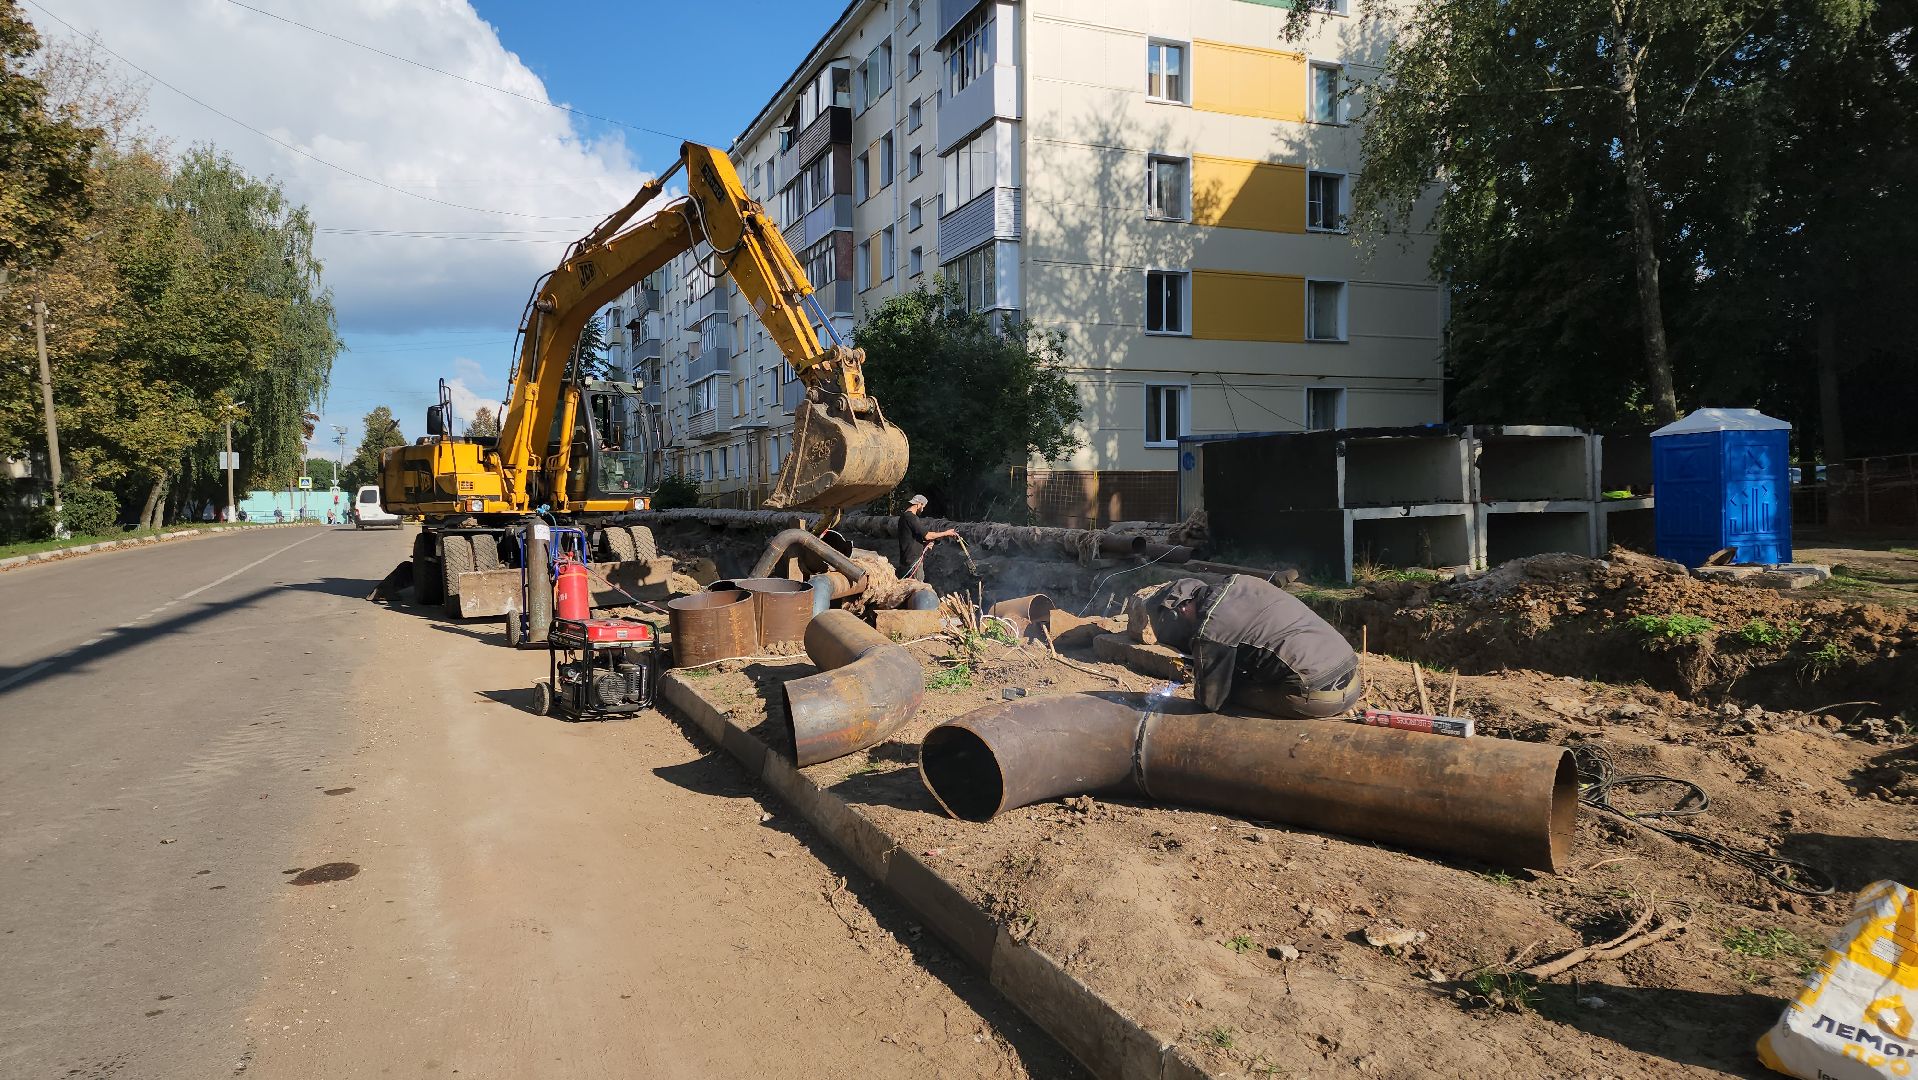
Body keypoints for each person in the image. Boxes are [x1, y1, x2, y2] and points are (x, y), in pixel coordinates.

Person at [1146, 575, 1363, 719]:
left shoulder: (1212, 627)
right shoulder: (1240, 583)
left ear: (1181, 610)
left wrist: (1203, 674)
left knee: (1231, 695)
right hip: (1352, 679)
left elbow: (1211, 700)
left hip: (1321, 696)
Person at [896, 494, 958, 581]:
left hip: (905, 559)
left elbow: (911, 537)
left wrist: (924, 544)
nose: (923, 509)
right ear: (919, 504)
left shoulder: (904, 516)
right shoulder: (911, 518)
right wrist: (946, 533)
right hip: (913, 560)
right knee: (918, 587)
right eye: (923, 506)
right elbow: (928, 535)